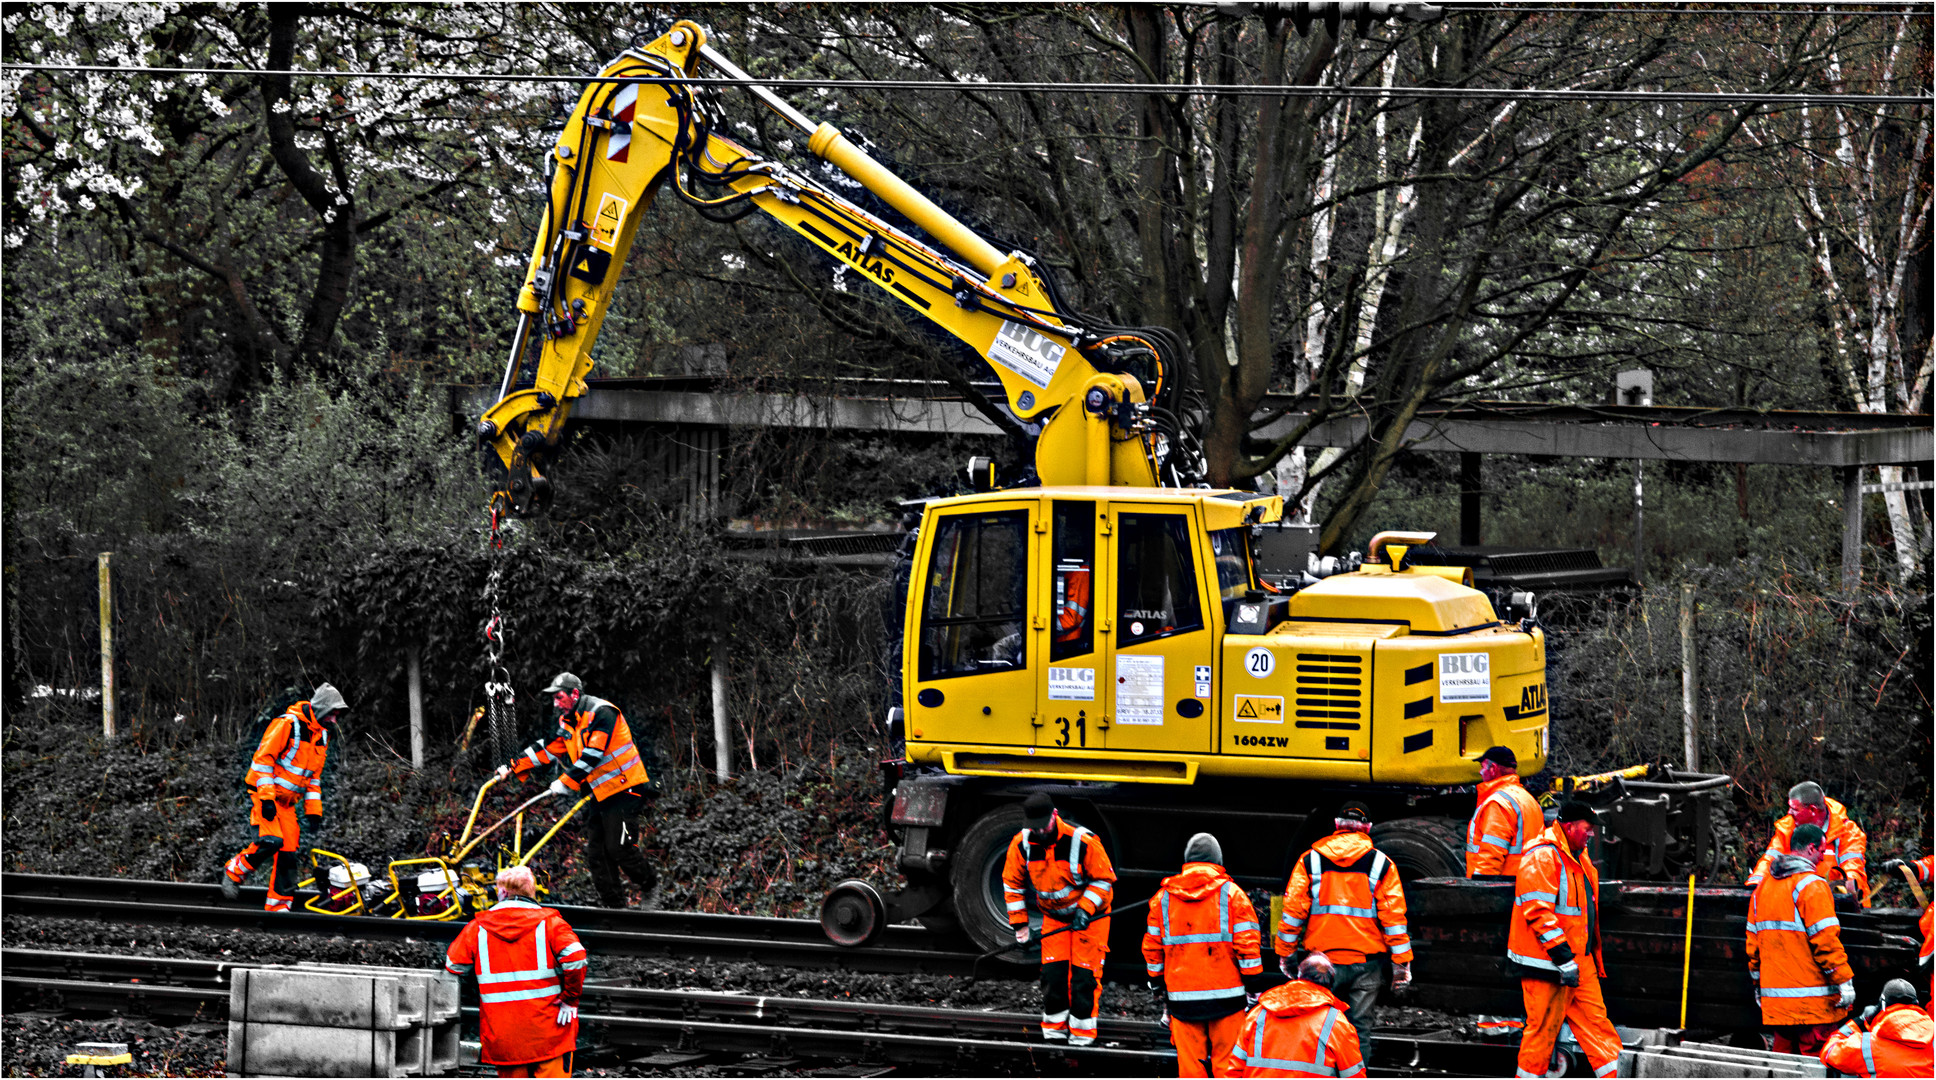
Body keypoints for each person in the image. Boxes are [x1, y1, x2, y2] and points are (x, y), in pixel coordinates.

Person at [498, 673, 657, 908]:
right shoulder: (568, 720)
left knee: (619, 847)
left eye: (559, 697)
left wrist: (565, 781)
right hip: (599, 793)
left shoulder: (603, 713)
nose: (555, 703)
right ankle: (616, 909)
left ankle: (649, 884)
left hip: (626, 789)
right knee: (597, 856)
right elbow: (550, 748)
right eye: (553, 698)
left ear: (575, 694)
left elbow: (593, 753)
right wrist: (514, 765)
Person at [1274, 802, 1412, 1038]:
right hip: (1366, 965)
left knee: (1321, 1029)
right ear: (1367, 828)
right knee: (1360, 1032)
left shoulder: (1310, 861)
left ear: (1337, 825)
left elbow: (1293, 912)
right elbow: (1393, 918)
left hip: (1323, 965)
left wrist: (1286, 954)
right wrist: (1401, 965)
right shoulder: (1382, 865)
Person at [1508, 800, 1621, 1080]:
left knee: (1598, 1027)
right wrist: (1563, 957)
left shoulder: (1577, 857)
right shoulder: (1542, 856)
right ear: (1569, 827)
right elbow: (1538, 910)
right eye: (1587, 828)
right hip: (1548, 964)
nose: (1591, 834)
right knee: (1541, 1035)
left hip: (1578, 961)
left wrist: (1577, 959)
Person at [443, 865, 587, 1078]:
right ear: (532, 892)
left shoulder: (477, 927)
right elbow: (576, 958)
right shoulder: (551, 924)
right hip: (549, 1030)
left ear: (503, 893)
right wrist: (570, 998)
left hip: (503, 1033)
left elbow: (453, 966)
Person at [1144, 832, 1264, 1076]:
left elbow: (1152, 948)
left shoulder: (1163, 899)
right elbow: (1247, 943)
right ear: (1218, 861)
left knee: (1190, 1068)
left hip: (1182, 1001)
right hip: (1228, 999)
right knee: (1229, 1066)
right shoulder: (1233, 895)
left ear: (1187, 860)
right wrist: (1253, 982)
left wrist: (1156, 983)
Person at [1003, 792, 1117, 1046]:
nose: (1041, 830)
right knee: (1053, 975)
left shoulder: (1083, 842)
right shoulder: (1022, 844)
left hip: (1091, 918)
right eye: (1035, 826)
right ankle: (1053, 1034)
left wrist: (1085, 910)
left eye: (1045, 824)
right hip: (1054, 917)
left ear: (1055, 815)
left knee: (1084, 977)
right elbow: (1012, 883)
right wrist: (1020, 926)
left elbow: (1103, 880)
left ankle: (1082, 1036)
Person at [220, 683, 346, 911]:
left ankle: (278, 907)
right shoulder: (286, 725)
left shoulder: (322, 736)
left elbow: (313, 778)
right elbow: (262, 760)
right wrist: (267, 799)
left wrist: (314, 812)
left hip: (287, 805)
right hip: (264, 796)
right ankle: (234, 870)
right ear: (320, 710)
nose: (334, 721)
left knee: (288, 854)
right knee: (271, 841)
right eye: (332, 714)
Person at [1747, 822, 1855, 1056]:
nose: (1822, 858)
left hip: (1778, 1008)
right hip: (1813, 1008)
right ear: (1810, 848)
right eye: (1822, 851)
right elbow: (1825, 941)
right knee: (1817, 1068)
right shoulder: (1812, 886)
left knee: (1781, 1067)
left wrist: (1758, 986)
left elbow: (1753, 947)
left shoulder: (1761, 889)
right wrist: (1844, 982)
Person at [1230, 952, 1365, 1079]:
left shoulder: (1259, 1014)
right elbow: (1354, 1075)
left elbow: (1234, 1070)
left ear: (1299, 977)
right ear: (1330, 984)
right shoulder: (1336, 1023)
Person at [1747, 781, 1868, 902]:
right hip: (1798, 902)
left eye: (1794, 809)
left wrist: (1840, 892)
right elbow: (1770, 860)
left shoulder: (1847, 832)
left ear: (1812, 810)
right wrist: (1756, 882)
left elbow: (1853, 869)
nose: (1789, 812)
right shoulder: (1788, 827)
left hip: (1837, 906)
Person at [1818, 979, 1933, 1078]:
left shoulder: (1867, 1045)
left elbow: (1829, 1052)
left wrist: (1859, 1021)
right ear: (1917, 1003)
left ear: (1882, 1005)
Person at [1466, 746, 1541, 878]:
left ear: (1493, 769)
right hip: (1526, 882)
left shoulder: (1498, 803)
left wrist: (1480, 887)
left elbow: (1492, 853)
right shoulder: (1528, 799)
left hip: (1505, 886)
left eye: (1483, 767)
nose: (1480, 772)